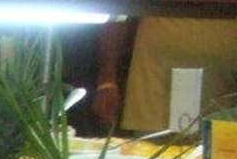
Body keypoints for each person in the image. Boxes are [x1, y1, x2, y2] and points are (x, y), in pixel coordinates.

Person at [96, 16, 237, 133]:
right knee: (149, 153)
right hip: (156, 83)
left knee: (218, 150)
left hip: (222, 85)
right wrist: (106, 81)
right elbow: (119, 15)